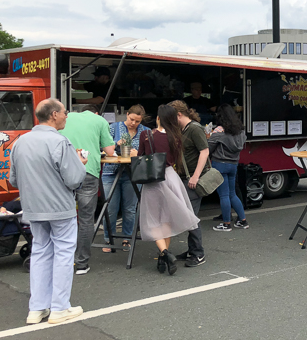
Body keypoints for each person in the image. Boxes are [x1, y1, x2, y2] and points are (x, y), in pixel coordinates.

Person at [9, 99, 87, 325]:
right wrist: (81, 163)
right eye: (65, 112)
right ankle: (60, 308)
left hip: (33, 207)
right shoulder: (60, 142)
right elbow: (74, 179)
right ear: (54, 114)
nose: (66, 116)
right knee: (63, 253)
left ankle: (37, 308)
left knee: (41, 252)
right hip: (59, 207)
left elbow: (13, 179)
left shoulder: (20, 142)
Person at [138, 105, 201, 275]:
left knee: (153, 220)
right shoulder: (176, 138)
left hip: (153, 180)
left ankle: (165, 253)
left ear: (158, 118)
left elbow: (140, 157)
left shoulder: (146, 135)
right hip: (171, 177)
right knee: (166, 219)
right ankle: (163, 257)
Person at [59, 104, 115, 276]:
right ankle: (81, 263)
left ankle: (61, 262)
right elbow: (110, 151)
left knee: (62, 217)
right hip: (88, 171)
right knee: (85, 218)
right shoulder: (99, 121)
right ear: (97, 113)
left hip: (62, 171)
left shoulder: (65, 118)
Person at [101, 105, 150, 252]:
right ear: (127, 115)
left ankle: (127, 239)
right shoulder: (113, 127)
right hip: (111, 172)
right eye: (131, 119)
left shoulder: (145, 131)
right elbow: (102, 146)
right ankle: (109, 239)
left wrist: (139, 154)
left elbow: (149, 154)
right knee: (110, 207)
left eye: (137, 121)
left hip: (133, 173)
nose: (133, 123)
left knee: (130, 209)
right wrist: (116, 144)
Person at [168, 100, 207, 267]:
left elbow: (204, 151)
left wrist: (196, 176)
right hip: (186, 177)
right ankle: (193, 250)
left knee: (191, 217)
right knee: (189, 215)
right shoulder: (183, 129)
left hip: (194, 179)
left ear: (179, 114)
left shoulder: (195, 128)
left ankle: (198, 253)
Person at [208, 104, 248, 232]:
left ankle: (226, 223)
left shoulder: (219, 131)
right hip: (233, 164)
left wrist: (211, 135)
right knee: (232, 194)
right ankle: (242, 220)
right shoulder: (240, 131)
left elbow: (208, 148)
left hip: (220, 164)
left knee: (224, 195)